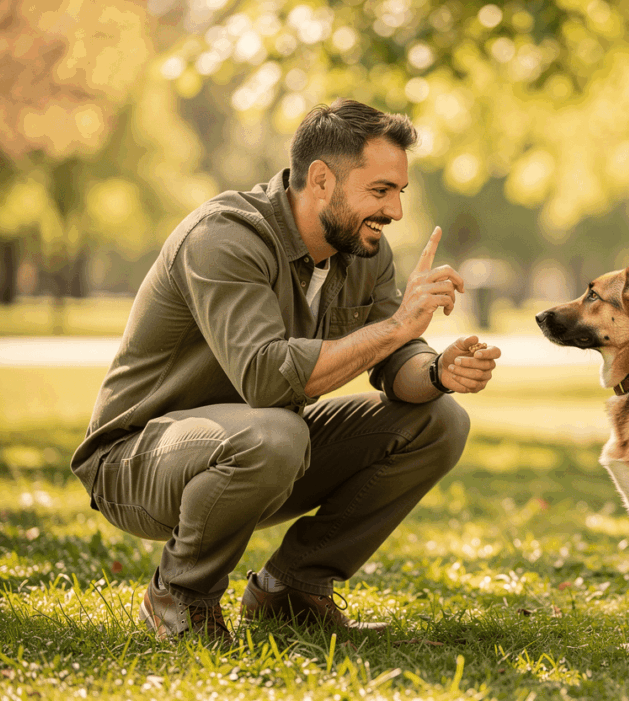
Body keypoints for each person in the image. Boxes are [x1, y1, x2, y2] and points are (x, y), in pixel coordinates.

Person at [69, 99, 501, 645]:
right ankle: (179, 596)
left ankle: (289, 591)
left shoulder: (364, 252)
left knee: (440, 420)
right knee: (276, 432)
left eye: (399, 192)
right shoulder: (223, 237)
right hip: (137, 459)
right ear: (321, 179)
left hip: (260, 447)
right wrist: (394, 329)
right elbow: (267, 380)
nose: (395, 211)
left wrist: (438, 370)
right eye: (380, 191)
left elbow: (397, 362)